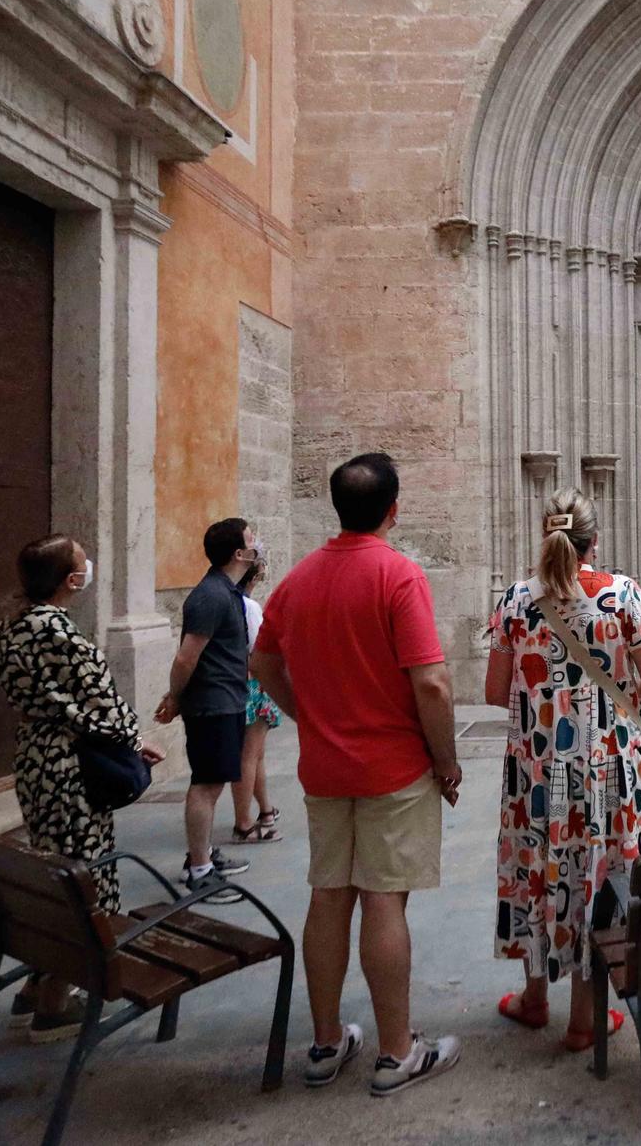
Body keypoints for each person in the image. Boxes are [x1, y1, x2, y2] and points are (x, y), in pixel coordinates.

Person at [250, 454, 463, 1096]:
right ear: (394, 509)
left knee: (328, 896)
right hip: (394, 769)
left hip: (324, 768)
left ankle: (324, 1042)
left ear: (334, 506)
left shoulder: (298, 579)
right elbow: (430, 681)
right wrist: (446, 761)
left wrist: (305, 714)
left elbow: (262, 662)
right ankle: (398, 1051)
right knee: (383, 899)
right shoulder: (398, 576)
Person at [489, 488, 641, 1053]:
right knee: (600, 872)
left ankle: (536, 996)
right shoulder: (623, 596)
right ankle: (584, 1017)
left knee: (538, 866)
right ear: (596, 539)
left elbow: (497, 691)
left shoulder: (517, 600)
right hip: (612, 768)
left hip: (536, 769)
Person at [0, 535, 164, 1042]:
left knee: (52, 857)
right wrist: (135, 742)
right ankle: (54, 1001)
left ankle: (34, 987)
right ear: (70, 580)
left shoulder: (11, 627)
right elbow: (101, 700)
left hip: (35, 756)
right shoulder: (58, 632)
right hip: (70, 763)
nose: (89, 567)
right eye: (84, 562)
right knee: (82, 868)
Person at [156, 518, 261, 893]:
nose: (256, 545)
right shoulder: (211, 596)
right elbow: (186, 658)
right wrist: (176, 697)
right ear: (238, 553)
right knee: (206, 785)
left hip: (227, 700)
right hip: (213, 704)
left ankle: (203, 853)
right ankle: (198, 869)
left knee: (213, 783)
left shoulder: (226, 592)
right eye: (252, 540)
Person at [231, 541, 285, 845]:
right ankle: (244, 820)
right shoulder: (248, 607)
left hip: (244, 685)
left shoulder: (235, 602)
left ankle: (264, 810)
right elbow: (258, 648)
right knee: (249, 756)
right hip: (251, 686)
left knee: (255, 754)